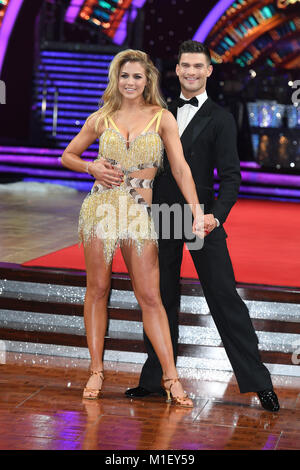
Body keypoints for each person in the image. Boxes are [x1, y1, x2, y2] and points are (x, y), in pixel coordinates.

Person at [123, 41, 279, 412]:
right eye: (185, 66)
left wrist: (216, 215)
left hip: (201, 219)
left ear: (209, 71)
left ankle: (258, 382)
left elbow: (231, 177)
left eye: (198, 66)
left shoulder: (221, 118)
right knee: (158, 298)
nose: (191, 72)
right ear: (176, 71)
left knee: (224, 298)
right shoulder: (157, 113)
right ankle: (155, 378)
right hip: (159, 216)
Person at [61, 49, 205, 407]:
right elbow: (68, 155)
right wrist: (91, 168)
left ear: (148, 80)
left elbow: (181, 169)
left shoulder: (162, 118)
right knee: (97, 289)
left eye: (137, 76)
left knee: (151, 297)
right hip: (100, 210)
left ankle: (171, 378)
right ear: (116, 78)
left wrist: (196, 211)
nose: (130, 82)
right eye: (124, 75)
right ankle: (96, 369)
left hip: (140, 214)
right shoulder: (101, 117)